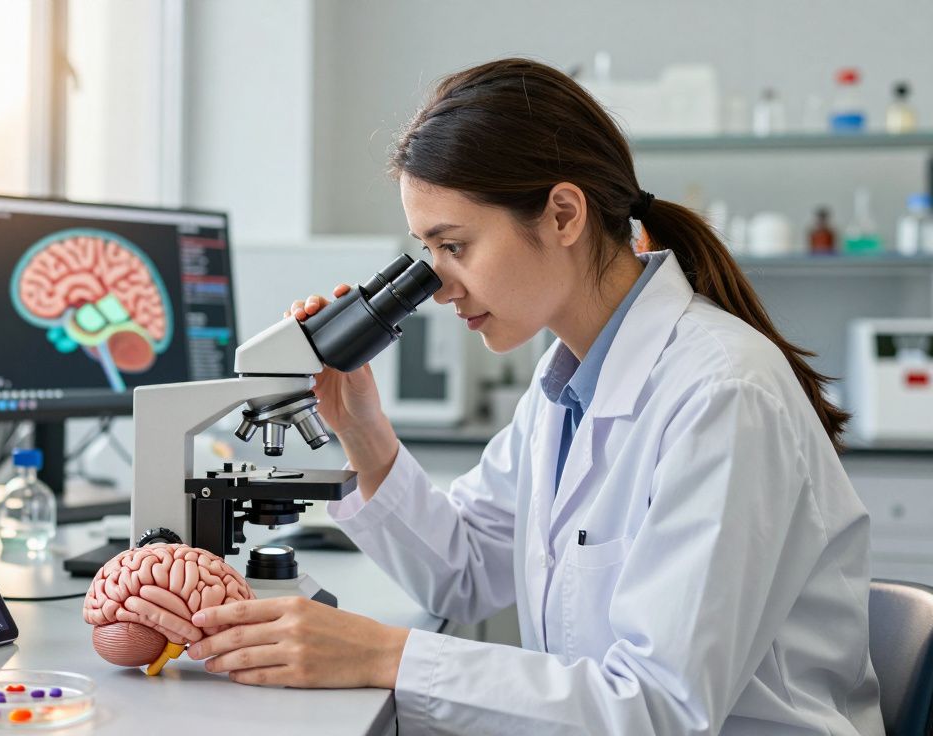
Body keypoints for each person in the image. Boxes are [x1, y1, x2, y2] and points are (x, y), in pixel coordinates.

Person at [185, 58, 882, 735]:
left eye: (454, 246)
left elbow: (659, 710)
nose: (440, 287)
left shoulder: (724, 394)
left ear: (563, 214)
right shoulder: (567, 384)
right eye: (427, 255)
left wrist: (379, 654)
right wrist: (362, 430)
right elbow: (462, 576)